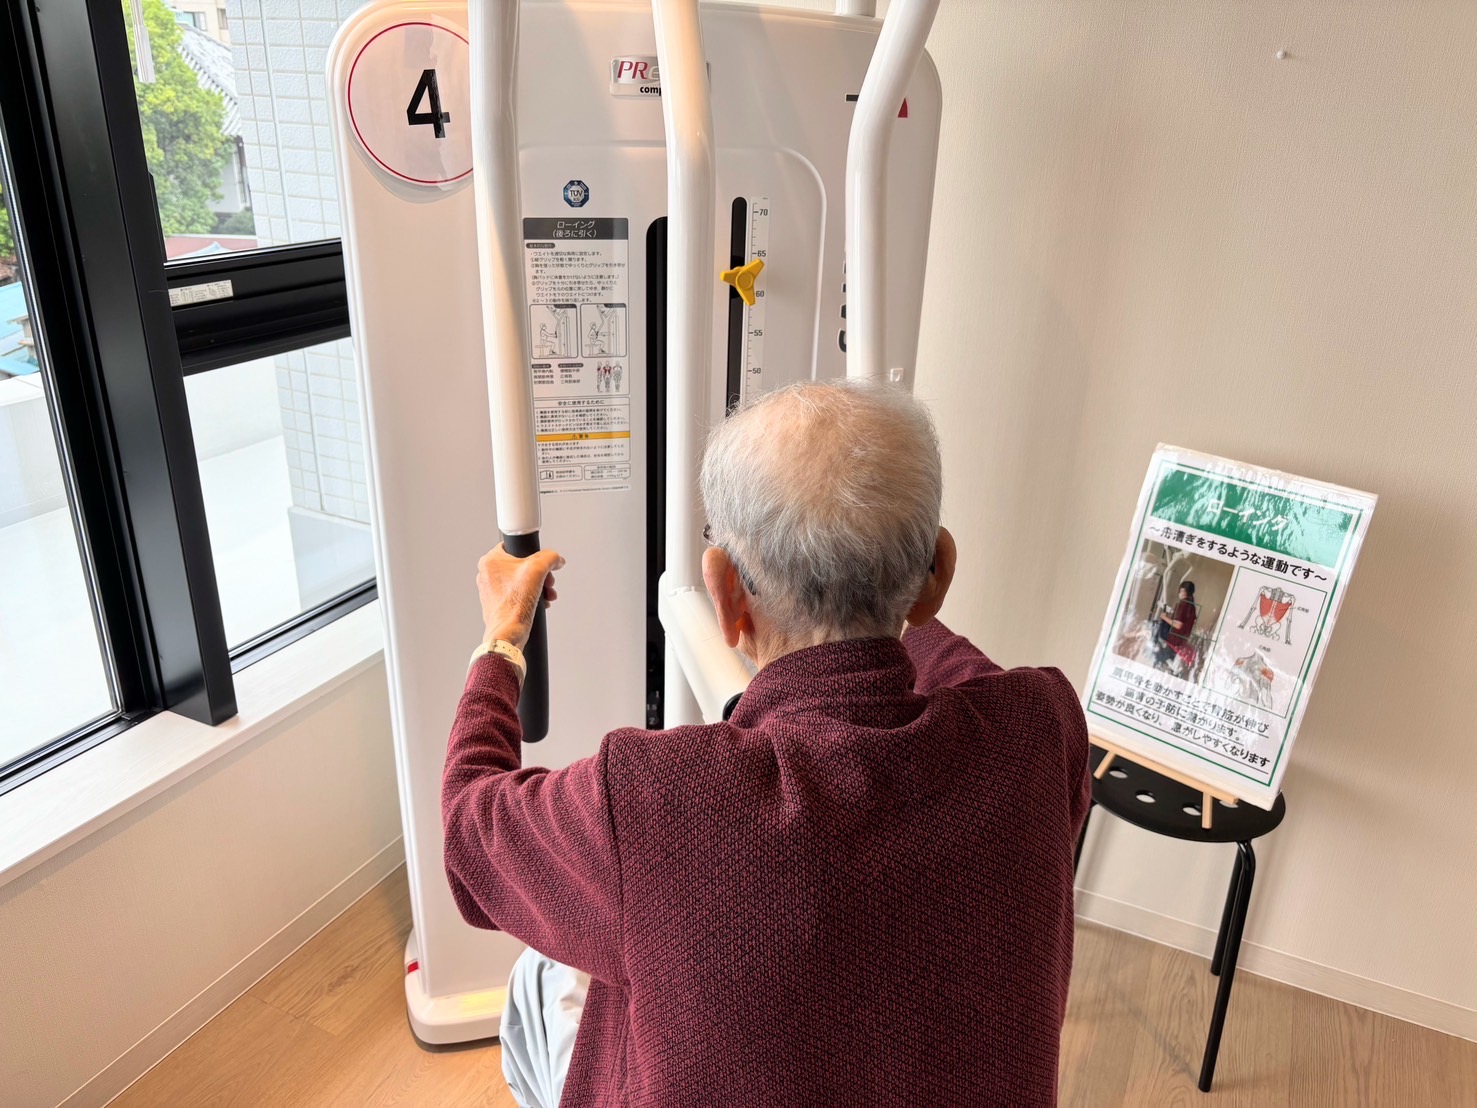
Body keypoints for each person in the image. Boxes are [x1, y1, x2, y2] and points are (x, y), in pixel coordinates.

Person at [442, 380, 1091, 1106]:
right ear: (937, 572)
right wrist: (890, 582)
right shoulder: (1041, 729)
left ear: (725, 596)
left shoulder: (652, 796)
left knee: (541, 974)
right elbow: (963, 669)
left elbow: (469, 829)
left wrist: (501, 641)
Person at [1153, 581, 1197, 671]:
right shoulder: (1192, 606)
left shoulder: (1183, 604)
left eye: (1180, 591)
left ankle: (1164, 659)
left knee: (1154, 626)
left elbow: (1178, 625)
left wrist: (1164, 618)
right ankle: (1167, 661)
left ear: (1184, 591)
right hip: (1181, 640)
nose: (1179, 593)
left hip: (1173, 639)